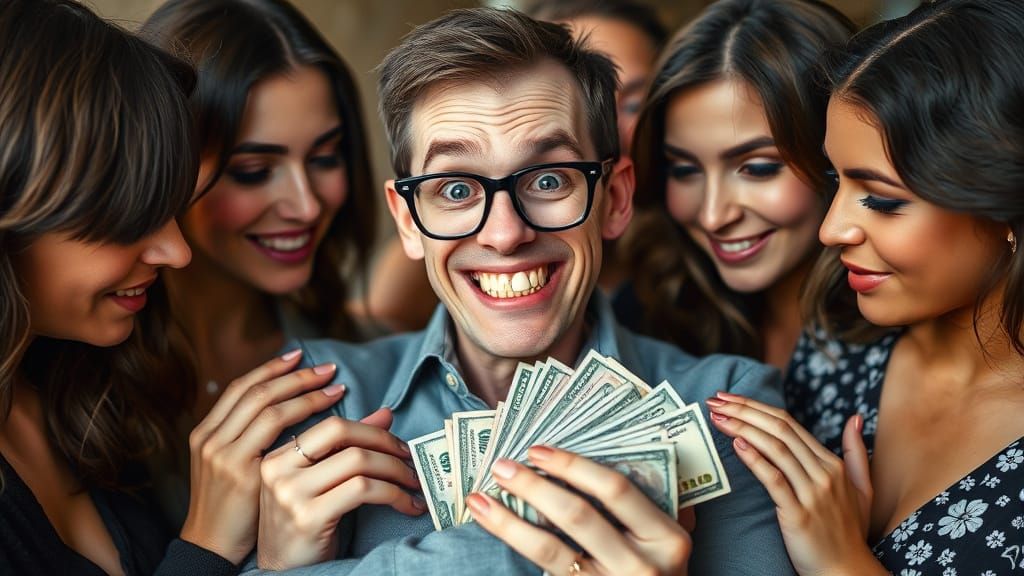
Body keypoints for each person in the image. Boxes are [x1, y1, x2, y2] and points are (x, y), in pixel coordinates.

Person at [243, 7, 794, 576]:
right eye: (455, 188)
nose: (505, 234)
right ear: (408, 220)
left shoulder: (724, 408)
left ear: (616, 198)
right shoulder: (318, 401)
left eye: (549, 180)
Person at [707, 1, 1024, 573]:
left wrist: (842, 562)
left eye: (882, 199)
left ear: (1006, 204)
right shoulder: (837, 342)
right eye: (836, 179)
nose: (831, 230)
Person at [0, 1, 298, 573]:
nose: (177, 252)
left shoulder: (82, 392)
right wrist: (205, 547)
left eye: (172, 210)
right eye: (132, 217)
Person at [138, 0, 379, 534]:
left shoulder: (368, 353)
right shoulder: (70, 387)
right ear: (164, 169)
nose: (307, 205)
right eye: (253, 171)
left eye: (324, 158)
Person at [620, 0, 854, 369]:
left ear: (839, 158)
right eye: (684, 170)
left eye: (757, 168)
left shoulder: (912, 352)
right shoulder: (651, 318)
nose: (714, 216)